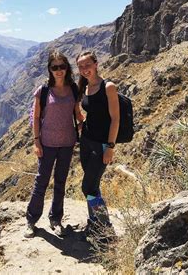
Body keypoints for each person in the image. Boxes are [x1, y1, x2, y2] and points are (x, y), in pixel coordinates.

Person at [24, 51, 84, 238]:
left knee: (60, 182)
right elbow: (35, 117)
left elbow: (77, 113)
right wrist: (36, 141)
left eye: (62, 66)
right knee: (41, 181)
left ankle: (56, 220)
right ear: (50, 70)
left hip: (67, 143)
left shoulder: (73, 89)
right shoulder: (43, 91)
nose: (59, 71)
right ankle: (31, 221)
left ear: (67, 68)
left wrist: (87, 124)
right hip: (47, 143)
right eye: (54, 67)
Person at [76, 51, 119, 243]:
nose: (85, 69)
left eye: (88, 65)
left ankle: (105, 227)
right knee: (93, 186)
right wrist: (82, 124)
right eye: (81, 66)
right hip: (85, 141)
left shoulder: (108, 87)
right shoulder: (85, 87)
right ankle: (95, 223)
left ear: (96, 64)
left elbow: (115, 119)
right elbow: (89, 112)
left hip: (101, 144)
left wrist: (110, 146)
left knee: (87, 186)